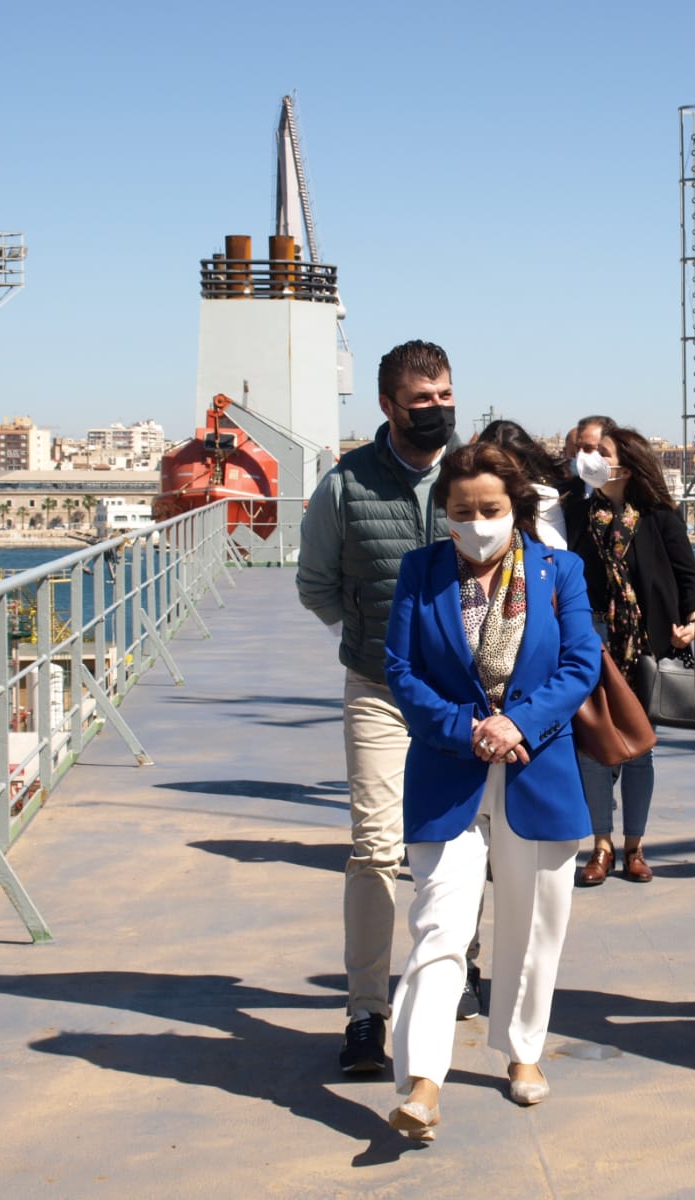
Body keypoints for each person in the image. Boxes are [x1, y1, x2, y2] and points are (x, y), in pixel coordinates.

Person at [381, 442, 601, 1140]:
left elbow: (580, 662)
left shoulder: (559, 571)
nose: (476, 523)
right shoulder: (420, 572)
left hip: (539, 770)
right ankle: (422, 1081)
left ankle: (522, 1054)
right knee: (438, 927)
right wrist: (467, 729)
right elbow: (401, 671)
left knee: (536, 927)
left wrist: (519, 723)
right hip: (449, 774)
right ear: (443, 513)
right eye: (461, 511)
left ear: (516, 508)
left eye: (490, 510)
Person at [297, 339, 481, 1075]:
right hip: (378, 691)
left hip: (465, 700)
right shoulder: (345, 486)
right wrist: (379, 633)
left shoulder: (476, 476)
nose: (437, 411)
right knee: (376, 850)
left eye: (445, 396)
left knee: (463, 848)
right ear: (387, 406)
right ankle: (366, 1013)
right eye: (422, 400)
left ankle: (455, 967)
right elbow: (316, 586)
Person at [564, 425, 695, 884]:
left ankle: (634, 846)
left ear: (625, 462)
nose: (591, 458)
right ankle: (600, 846)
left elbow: (688, 573)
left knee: (639, 750)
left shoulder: (660, 516)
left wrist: (692, 619)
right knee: (593, 748)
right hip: (591, 641)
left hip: (644, 645)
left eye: (600, 452)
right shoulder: (579, 513)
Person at [477, 418, 572, 549]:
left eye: (507, 466)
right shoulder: (469, 498)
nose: (499, 475)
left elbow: (554, 554)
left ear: (522, 464)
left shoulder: (543, 499)